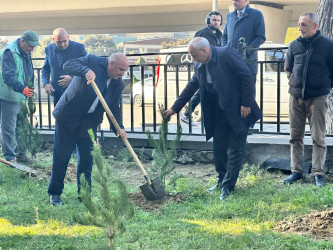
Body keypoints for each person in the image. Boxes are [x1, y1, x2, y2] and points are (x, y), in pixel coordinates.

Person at [165, 37, 261, 200]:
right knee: (218, 148)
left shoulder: (226, 54)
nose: (193, 60)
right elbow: (192, 86)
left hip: (239, 109)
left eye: (195, 56)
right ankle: (221, 179)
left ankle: (228, 187)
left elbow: (245, 75)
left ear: (204, 50)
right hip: (219, 112)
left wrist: (246, 103)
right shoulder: (200, 65)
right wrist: (175, 108)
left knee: (236, 149)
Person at [48, 52, 129, 206]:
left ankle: (85, 194)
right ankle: (55, 193)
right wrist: (85, 70)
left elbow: (113, 108)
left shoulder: (118, 84)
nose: (122, 74)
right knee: (61, 157)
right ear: (111, 64)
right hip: (68, 118)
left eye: (125, 70)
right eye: (120, 69)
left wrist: (119, 128)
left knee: (87, 159)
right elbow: (68, 64)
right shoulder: (92, 61)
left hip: (90, 124)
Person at [283, 13, 333, 186]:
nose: (300, 28)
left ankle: (318, 173)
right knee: (295, 136)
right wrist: (293, 83)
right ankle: (296, 171)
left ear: (314, 26)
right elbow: (288, 68)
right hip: (295, 97)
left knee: (318, 137)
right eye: (299, 24)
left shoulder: (328, 45)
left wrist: (323, 88)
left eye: (304, 24)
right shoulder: (293, 45)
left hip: (318, 98)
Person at [0, 30, 40, 163]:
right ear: (22, 41)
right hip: (9, 96)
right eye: (30, 45)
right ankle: (9, 158)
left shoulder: (25, 52)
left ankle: (21, 155)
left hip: (21, 96)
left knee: (22, 127)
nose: (32, 48)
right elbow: (8, 76)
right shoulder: (9, 52)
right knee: (9, 129)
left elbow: (27, 72)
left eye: (34, 46)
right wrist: (22, 88)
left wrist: (29, 87)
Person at [181, 11, 223, 125]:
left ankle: (187, 114)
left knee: (203, 91)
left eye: (218, 20)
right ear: (208, 20)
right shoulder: (202, 33)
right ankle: (187, 114)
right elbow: (193, 48)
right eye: (214, 20)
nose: (216, 22)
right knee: (201, 89)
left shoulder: (220, 34)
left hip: (215, 67)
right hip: (203, 66)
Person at [222, 0, 265, 98]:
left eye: (237, 0)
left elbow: (260, 37)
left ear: (246, 1)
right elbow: (224, 36)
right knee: (231, 96)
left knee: (247, 98)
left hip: (247, 64)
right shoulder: (229, 16)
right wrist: (225, 50)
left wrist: (246, 51)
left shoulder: (256, 14)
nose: (233, 2)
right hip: (230, 63)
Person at [42, 28, 87, 106]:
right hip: (56, 92)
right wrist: (45, 83)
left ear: (68, 37)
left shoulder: (79, 48)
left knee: (74, 116)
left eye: (64, 41)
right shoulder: (48, 49)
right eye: (59, 42)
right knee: (58, 116)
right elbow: (46, 68)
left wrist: (72, 78)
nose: (62, 44)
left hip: (75, 90)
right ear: (54, 40)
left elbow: (87, 67)